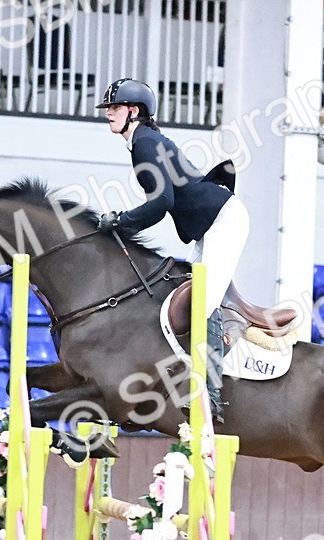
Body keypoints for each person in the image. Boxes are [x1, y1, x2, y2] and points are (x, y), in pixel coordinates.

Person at [94, 78, 248, 423]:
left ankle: (210, 395)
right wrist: (124, 222)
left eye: (114, 108)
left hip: (223, 220)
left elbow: (162, 202)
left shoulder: (145, 143)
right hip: (208, 226)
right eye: (109, 109)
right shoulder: (143, 141)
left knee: (203, 298)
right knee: (185, 291)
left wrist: (121, 221)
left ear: (134, 112)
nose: (109, 115)